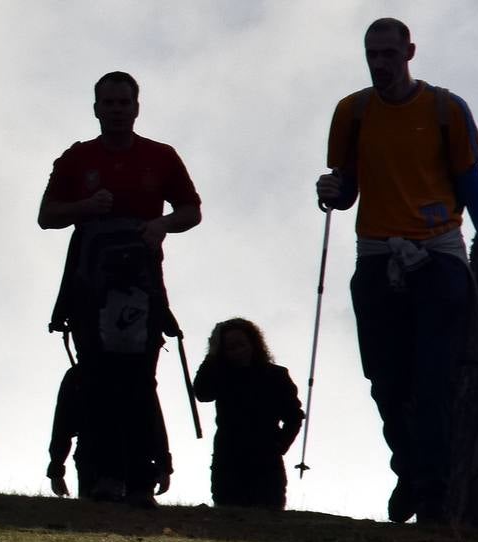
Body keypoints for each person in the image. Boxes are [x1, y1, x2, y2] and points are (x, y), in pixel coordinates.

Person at [314, 18, 478, 524]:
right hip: (376, 253)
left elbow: (473, 191)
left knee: (434, 379)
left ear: (409, 52)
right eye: (372, 53)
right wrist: (331, 192)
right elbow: (347, 191)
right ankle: (412, 469)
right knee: (387, 380)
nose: (380, 63)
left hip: (437, 254)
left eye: (389, 53)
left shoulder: (444, 110)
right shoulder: (351, 113)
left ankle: (432, 493)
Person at [41, 72, 200, 366]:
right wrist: (85, 206)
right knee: (94, 371)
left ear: (136, 108)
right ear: (96, 109)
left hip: (143, 280)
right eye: (109, 102)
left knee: (140, 372)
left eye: (124, 103)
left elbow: (191, 211)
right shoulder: (76, 157)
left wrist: (162, 224)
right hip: (89, 281)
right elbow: (46, 216)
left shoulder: (162, 156)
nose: (117, 109)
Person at [189, 318, 304, 510]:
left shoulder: (276, 376)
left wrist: (279, 446)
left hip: (266, 460)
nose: (237, 351)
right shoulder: (222, 376)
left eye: (241, 345)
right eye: (230, 348)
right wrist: (211, 355)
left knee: (267, 516)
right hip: (228, 458)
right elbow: (202, 393)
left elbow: (294, 417)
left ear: (253, 344)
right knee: (228, 514)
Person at [47, 359, 172, 506]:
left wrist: (164, 465)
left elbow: (154, 421)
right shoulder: (137, 373)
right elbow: (63, 423)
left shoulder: (82, 373)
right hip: (103, 463)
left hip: (123, 464)